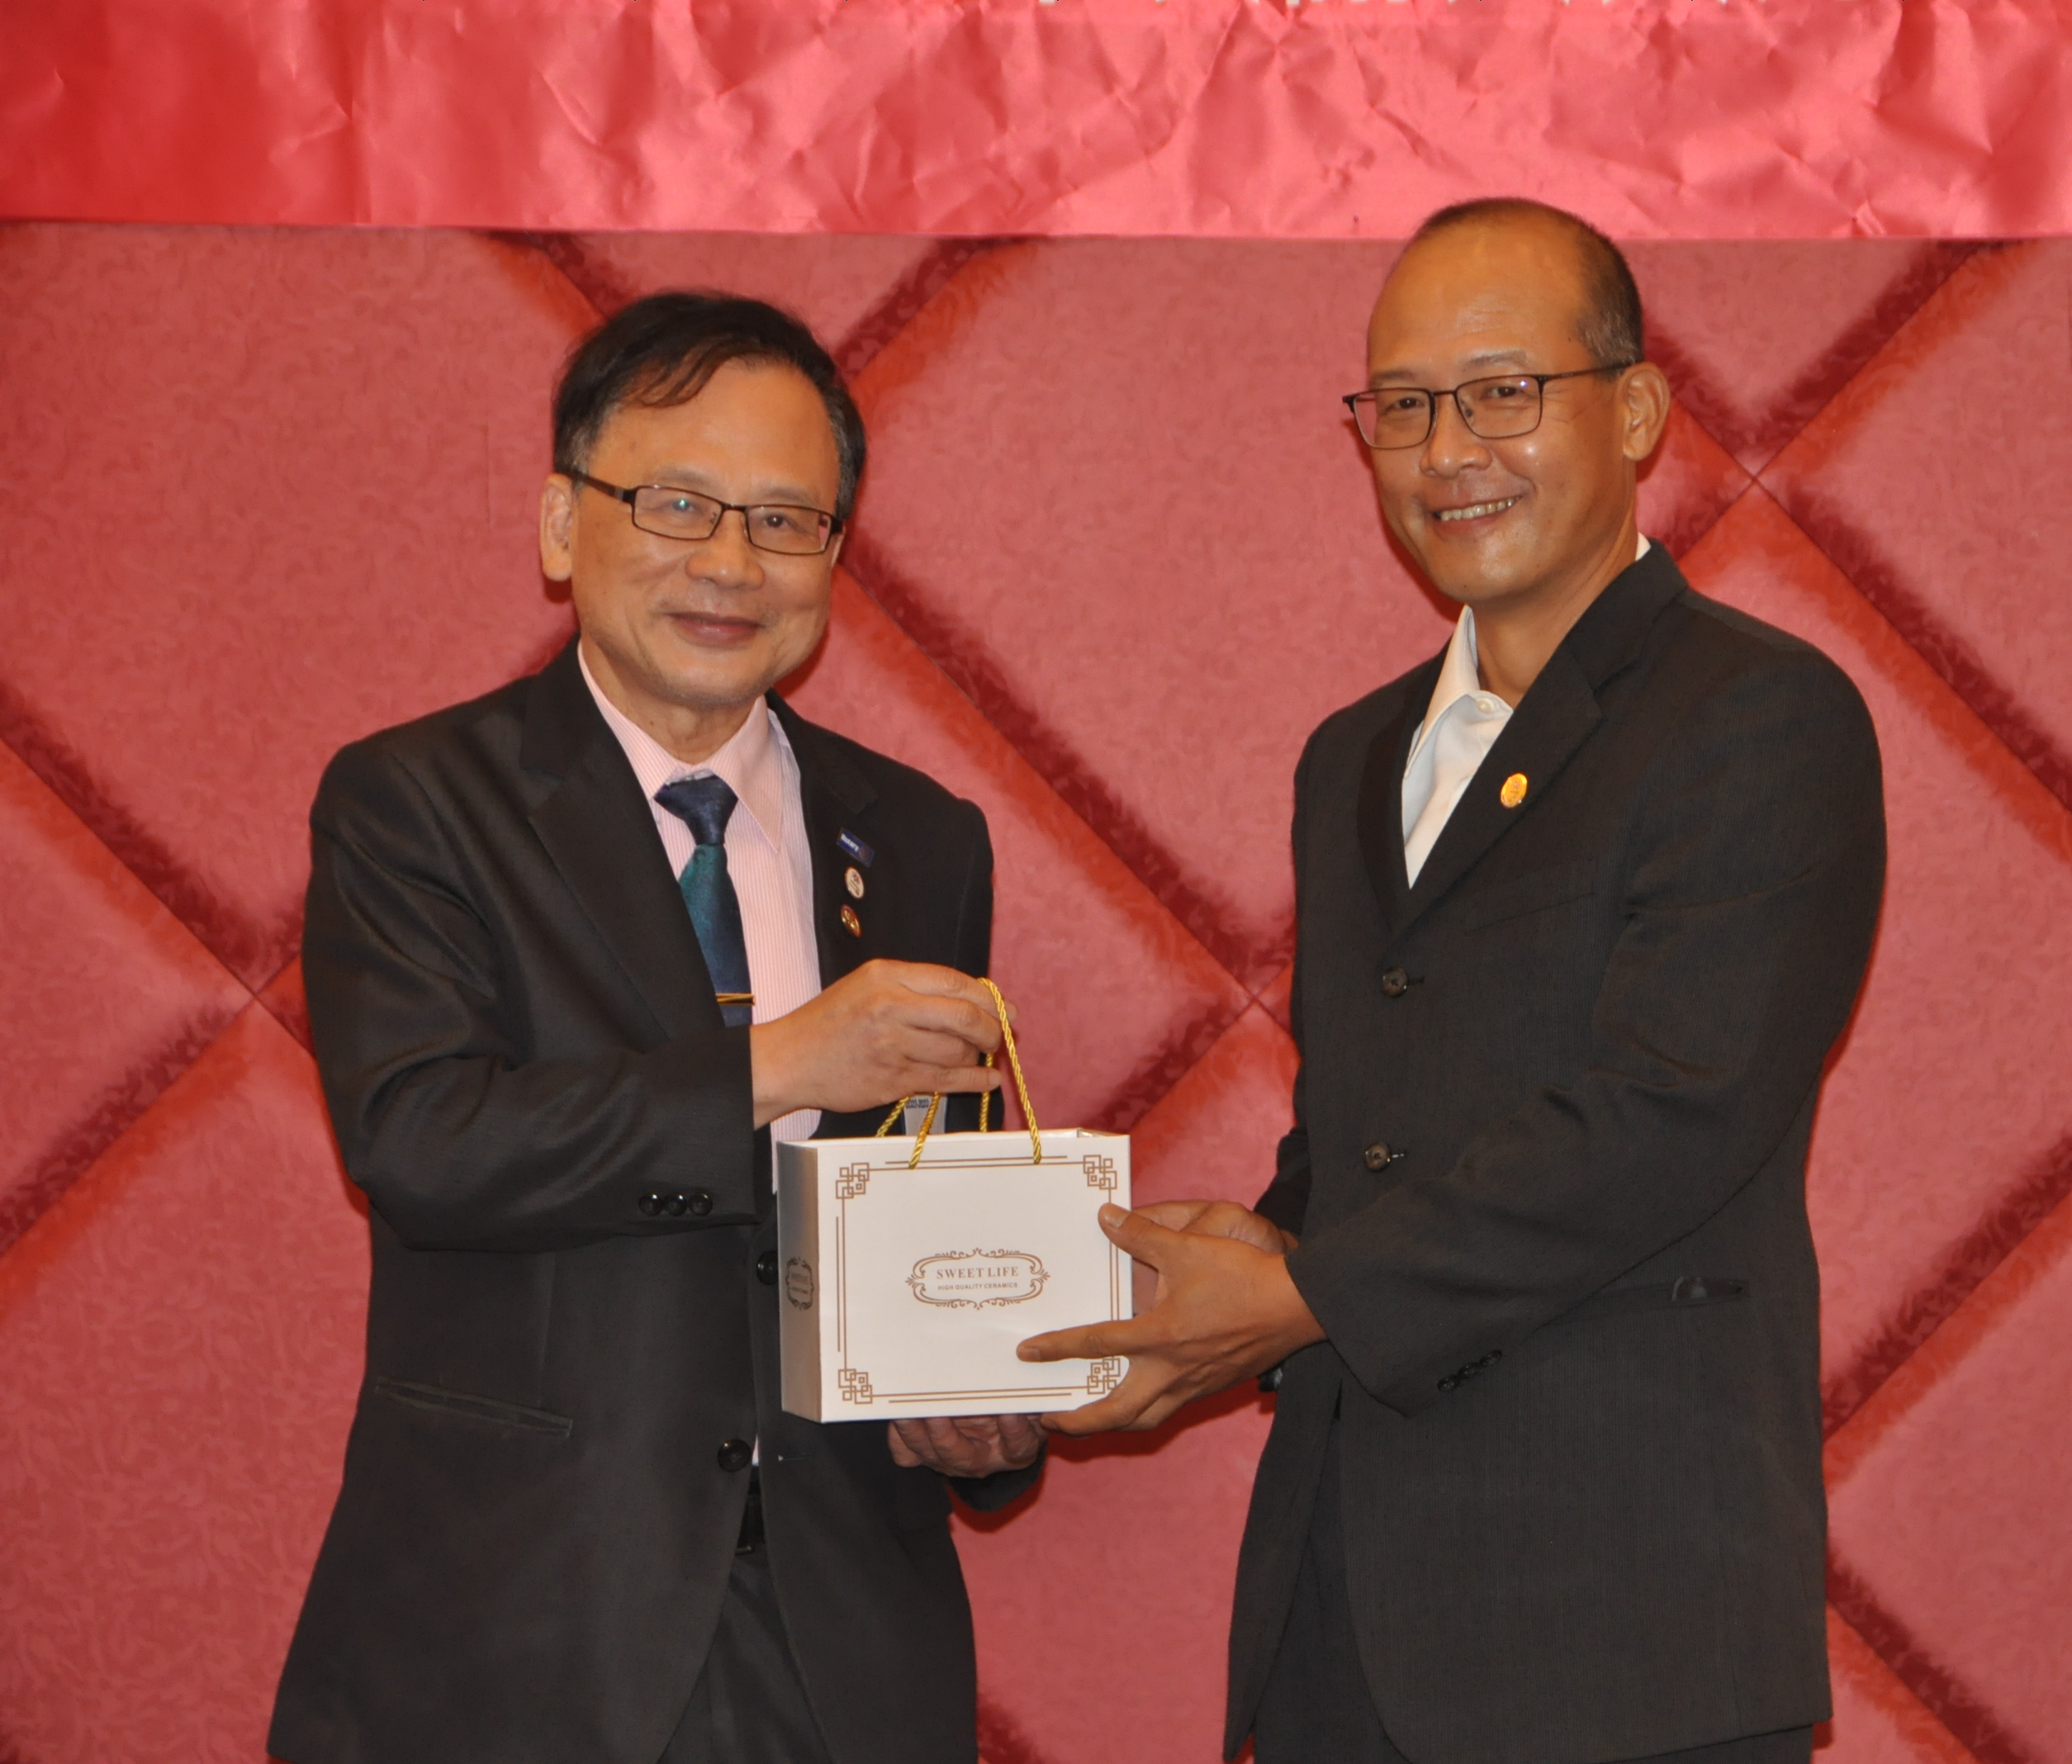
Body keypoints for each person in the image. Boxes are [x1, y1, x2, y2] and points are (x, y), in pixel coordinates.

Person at [1021, 200, 1887, 1762]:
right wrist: (1248, 1258)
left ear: (1636, 410)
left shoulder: (1756, 716)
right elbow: (1367, 1130)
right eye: (1405, 407)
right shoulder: (1354, 757)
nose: (1446, 452)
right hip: (1345, 1613)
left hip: (1619, 1628)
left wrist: (1293, 1298)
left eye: (1502, 393)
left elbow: (1668, 1113)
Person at [270, 292, 1043, 1764]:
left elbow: (928, 1203)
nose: (730, 563)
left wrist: (984, 1414)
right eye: (677, 504)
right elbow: (423, 1142)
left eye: (783, 521)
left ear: (835, 556)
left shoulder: (921, 837)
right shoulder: (417, 803)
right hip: (521, 1631)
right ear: (564, 524)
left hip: (839, 1644)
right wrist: (782, 1067)